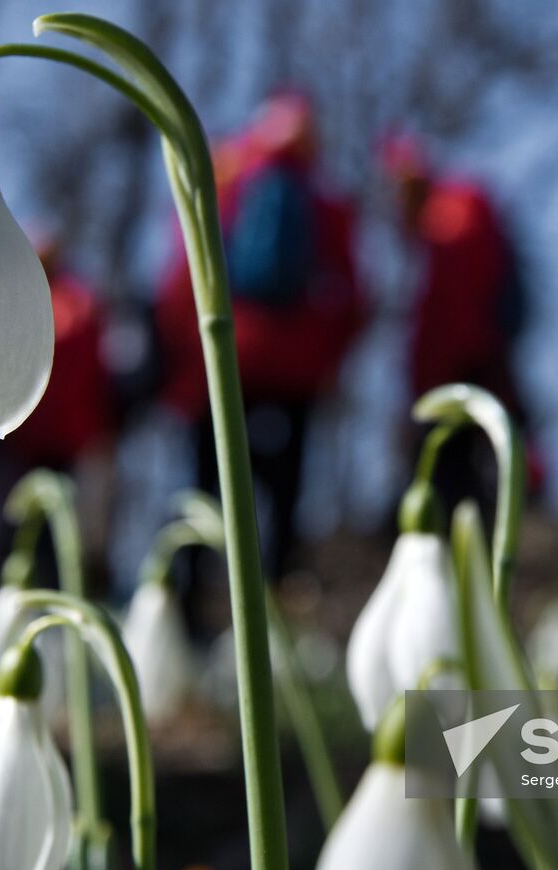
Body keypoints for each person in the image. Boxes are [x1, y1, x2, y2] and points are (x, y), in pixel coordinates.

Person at [155, 90, 367, 583]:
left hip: (226, 361)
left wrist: (184, 365)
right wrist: (328, 362)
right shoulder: (326, 201)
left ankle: (186, 604)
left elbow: (181, 281)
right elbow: (354, 297)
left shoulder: (225, 181)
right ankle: (277, 609)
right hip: (296, 374)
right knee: (283, 494)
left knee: (206, 488)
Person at [380, 135, 539, 517]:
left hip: (463, 367)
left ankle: (489, 526)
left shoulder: (447, 216)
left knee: (459, 465)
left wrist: (432, 380)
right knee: (471, 464)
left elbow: (455, 308)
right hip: (468, 361)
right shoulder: (440, 220)